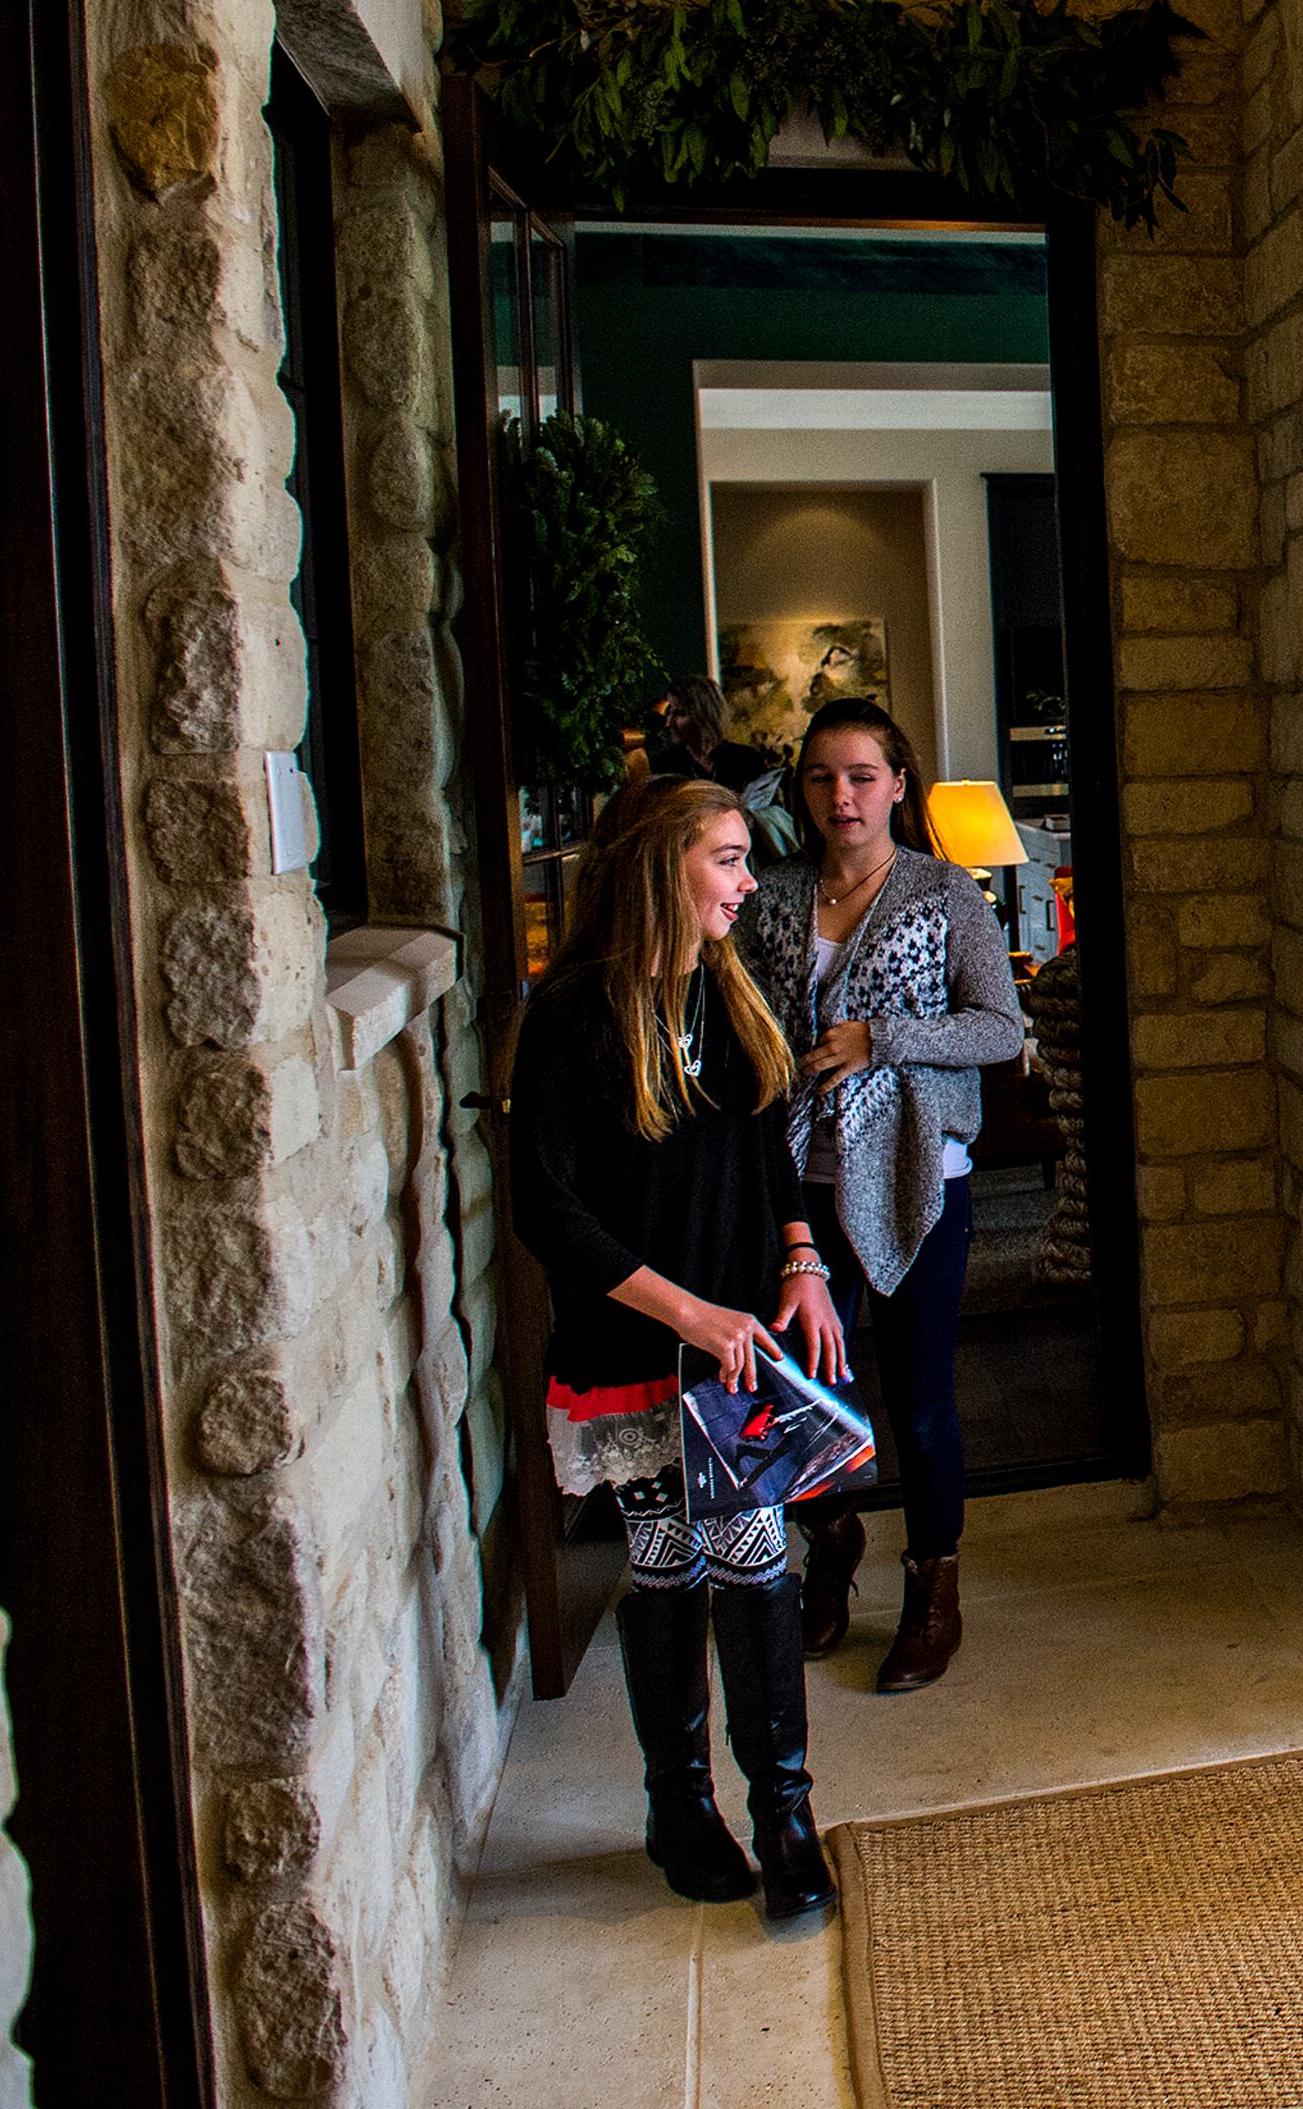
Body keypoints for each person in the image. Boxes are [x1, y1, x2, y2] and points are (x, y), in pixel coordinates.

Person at [507, 777, 845, 1921]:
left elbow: (766, 1156)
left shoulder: (728, 989)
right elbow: (547, 1210)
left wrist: (803, 1260)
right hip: (636, 1349)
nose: (750, 883)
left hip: (739, 1346)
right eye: (732, 859)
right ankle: (679, 1805)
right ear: (664, 864)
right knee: (669, 1563)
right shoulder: (572, 1016)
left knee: (755, 1552)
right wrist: (688, 1314)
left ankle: (785, 1818)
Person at [739, 697, 1026, 1691]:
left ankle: (932, 1588)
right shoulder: (770, 898)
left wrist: (881, 1039)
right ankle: (831, 1544)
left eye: (861, 775)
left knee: (921, 1399)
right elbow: (742, 1029)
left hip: (917, 1182)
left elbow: (999, 1029)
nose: (842, 796)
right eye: (821, 778)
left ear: (899, 781)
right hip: (799, 1183)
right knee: (806, 1393)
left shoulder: (946, 895)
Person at [651, 675, 773, 793]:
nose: (669, 723)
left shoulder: (747, 759)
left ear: (704, 715)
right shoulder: (665, 765)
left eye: (680, 714)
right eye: (669, 714)